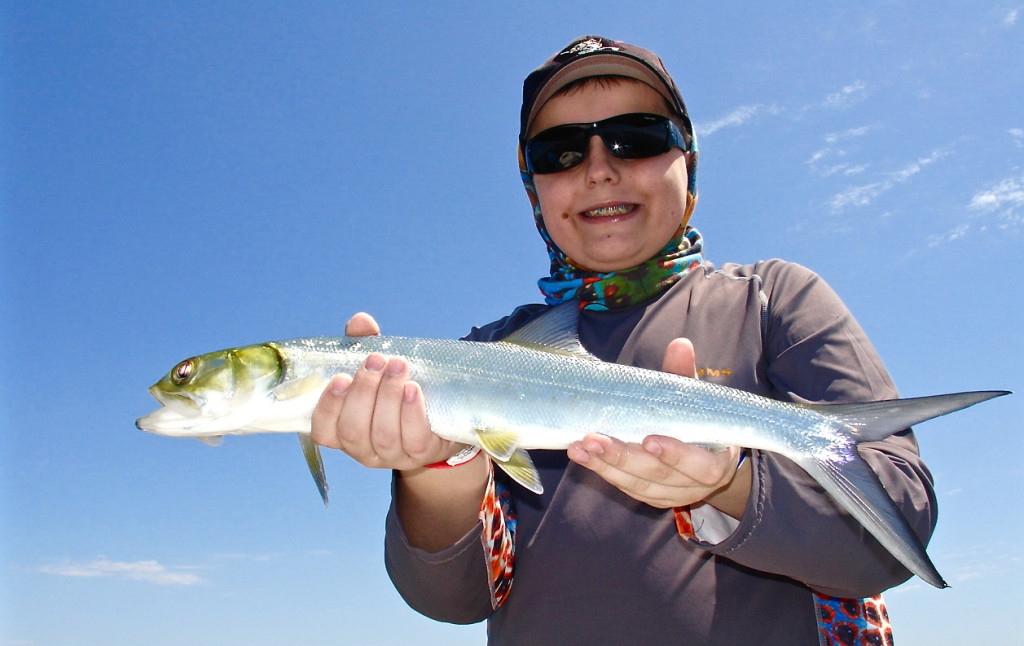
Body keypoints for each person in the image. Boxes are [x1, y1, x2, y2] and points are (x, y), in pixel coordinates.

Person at [311, 35, 935, 645]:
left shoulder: (773, 299)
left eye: (635, 138)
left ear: (686, 162)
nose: (601, 170)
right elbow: (452, 602)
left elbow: (889, 541)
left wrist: (728, 483)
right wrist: (435, 470)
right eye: (560, 153)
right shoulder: (476, 357)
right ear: (533, 189)